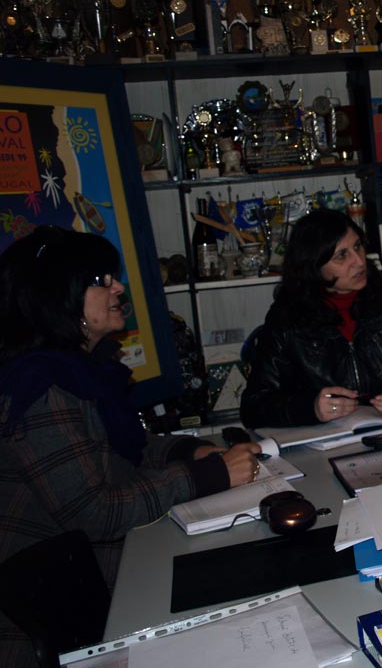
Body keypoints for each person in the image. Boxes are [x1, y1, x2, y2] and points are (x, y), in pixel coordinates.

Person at [0, 226, 260, 663]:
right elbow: (96, 512)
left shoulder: (78, 370)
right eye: (100, 280)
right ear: (58, 296)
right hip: (55, 615)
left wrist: (188, 452)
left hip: (96, 578)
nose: (117, 288)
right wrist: (208, 475)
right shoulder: (39, 388)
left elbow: (125, 450)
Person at [241, 208, 382, 428]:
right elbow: (253, 407)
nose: (359, 261)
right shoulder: (287, 318)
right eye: (341, 256)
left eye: (358, 246)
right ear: (314, 266)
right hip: (325, 439)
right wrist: (310, 408)